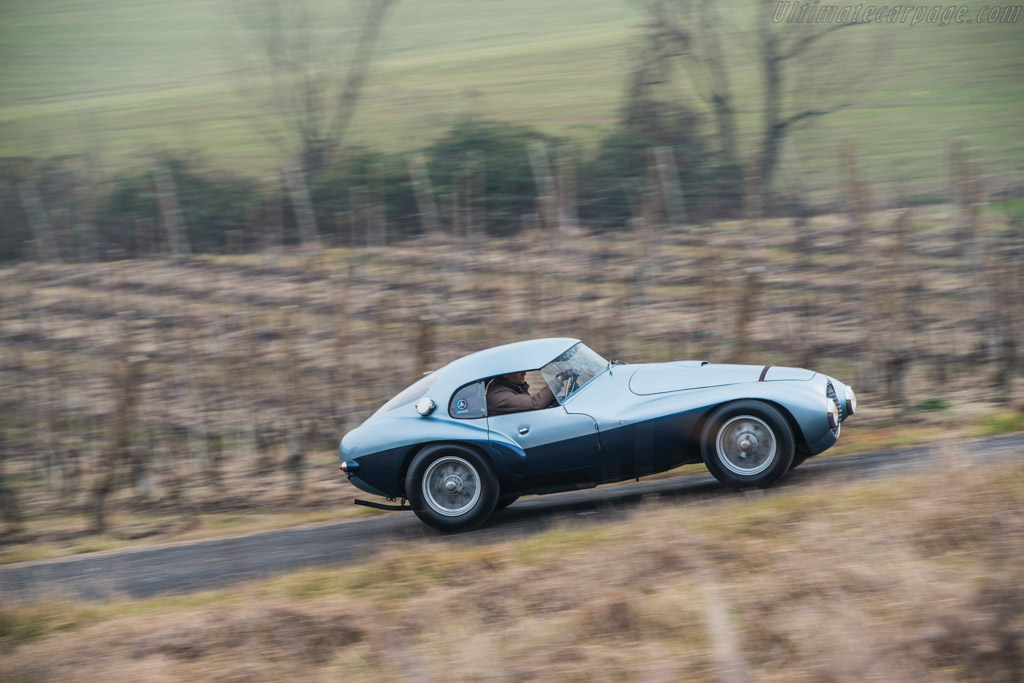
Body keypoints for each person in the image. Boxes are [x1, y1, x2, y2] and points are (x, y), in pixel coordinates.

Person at [486, 369, 575, 416]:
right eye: (519, 371)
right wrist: (560, 379)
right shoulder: (499, 397)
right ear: (506, 374)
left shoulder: (513, 386)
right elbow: (535, 404)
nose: (524, 373)